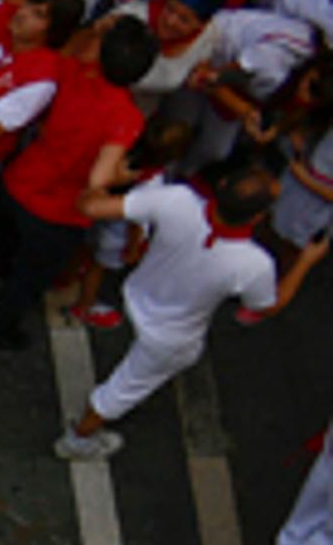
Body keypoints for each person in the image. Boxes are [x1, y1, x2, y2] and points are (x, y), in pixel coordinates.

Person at [57, 160, 319, 460]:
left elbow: (92, 208)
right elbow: (268, 306)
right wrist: (307, 261)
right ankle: (78, 439)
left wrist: (102, 179)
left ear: (222, 186)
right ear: (259, 216)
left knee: (130, 378)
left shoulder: (176, 200)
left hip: (138, 294)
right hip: (171, 336)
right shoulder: (253, 264)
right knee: (125, 387)